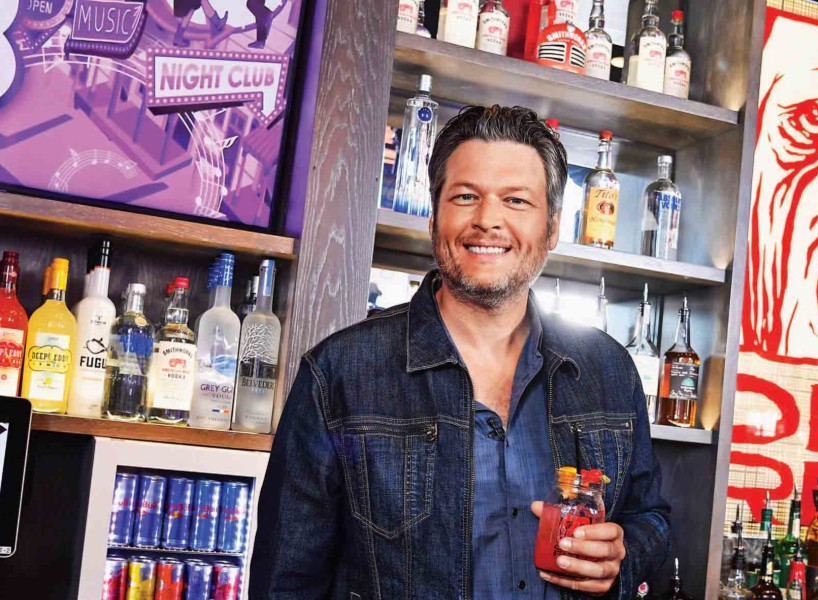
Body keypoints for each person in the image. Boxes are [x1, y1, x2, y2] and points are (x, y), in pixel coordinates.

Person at [250, 105, 671, 599]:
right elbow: (285, 581)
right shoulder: (339, 373)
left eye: (516, 200)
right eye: (466, 196)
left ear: (553, 228)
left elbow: (650, 517)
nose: (488, 220)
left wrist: (622, 556)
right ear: (435, 217)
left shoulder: (609, 370)